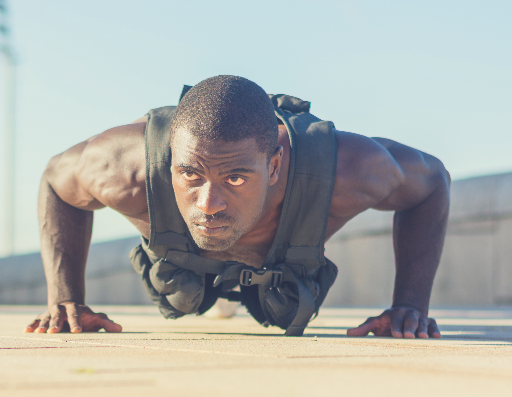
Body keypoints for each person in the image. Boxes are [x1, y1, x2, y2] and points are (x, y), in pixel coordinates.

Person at [25, 75, 449, 339]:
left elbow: (432, 182)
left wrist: (409, 305)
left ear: (275, 165)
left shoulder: (349, 168)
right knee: (184, 296)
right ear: (170, 158)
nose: (208, 204)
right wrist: (66, 298)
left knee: (285, 308)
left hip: (282, 267)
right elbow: (55, 182)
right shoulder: (122, 166)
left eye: (235, 178)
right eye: (191, 174)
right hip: (183, 264)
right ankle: (215, 293)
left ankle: (243, 292)